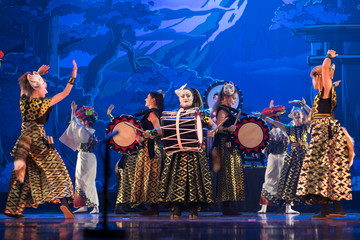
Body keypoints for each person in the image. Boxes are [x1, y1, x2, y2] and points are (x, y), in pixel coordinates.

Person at [4, 61, 77, 219]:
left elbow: (25, 88)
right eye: (44, 86)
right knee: (57, 171)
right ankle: (64, 202)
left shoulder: (24, 102)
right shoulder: (43, 103)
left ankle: (13, 209)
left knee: (21, 175)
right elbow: (64, 93)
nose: (47, 89)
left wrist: (38, 73)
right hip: (38, 142)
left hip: (23, 143)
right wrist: (73, 76)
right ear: (37, 88)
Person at [296, 50, 354, 219]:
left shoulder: (325, 91)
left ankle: (328, 209)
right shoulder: (322, 95)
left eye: (314, 78)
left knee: (321, 169)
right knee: (327, 170)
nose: (313, 81)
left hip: (325, 133)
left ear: (319, 77)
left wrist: (328, 57)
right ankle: (334, 208)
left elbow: (325, 69)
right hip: (322, 132)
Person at [159, 84, 215, 219]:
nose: (185, 98)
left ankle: (193, 209)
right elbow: (164, 130)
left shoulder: (201, 113)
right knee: (176, 179)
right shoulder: (173, 114)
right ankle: (176, 208)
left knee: (194, 180)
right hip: (177, 153)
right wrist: (151, 132)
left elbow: (214, 127)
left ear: (193, 97)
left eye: (188, 95)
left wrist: (212, 131)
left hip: (195, 153)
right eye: (182, 96)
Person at [254, 103, 310, 214]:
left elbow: (313, 115)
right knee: (278, 180)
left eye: (298, 114)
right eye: (295, 115)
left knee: (295, 182)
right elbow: (275, 123)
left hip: (295, 157)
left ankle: (289, 207)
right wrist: (263, 117)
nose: (297, 116)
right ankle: (271, 207)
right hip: (283, 157)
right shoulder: (285, 129)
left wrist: (304, 105)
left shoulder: (303, 127)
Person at [60, 101, 99, 214]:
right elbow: (75, 124)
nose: (81, 122)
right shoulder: (90, 131)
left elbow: (74, 123)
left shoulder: (86, 131)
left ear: (86, 122)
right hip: (86, 157)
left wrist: (73, 110)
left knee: (88, 182)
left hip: (86, 157)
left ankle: (95, 206)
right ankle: (83, 206)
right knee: (80, 181)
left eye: (83, 120)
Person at [211, 82, 244, 216]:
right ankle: (226, 206)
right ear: (226, 96)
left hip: (231, 145)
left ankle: (229, 205)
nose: (235, 101)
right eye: (233, 98)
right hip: (225, 146)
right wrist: (227, 129)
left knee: (231, 175)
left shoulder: (228, 110)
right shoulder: (222, 110)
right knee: (227, 175)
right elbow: (218, 129)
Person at [130, 91, 164, 216]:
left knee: (151, 177)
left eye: (147, 97)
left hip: (151, 150)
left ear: (153, 100)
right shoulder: (154, 112)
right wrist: (141, 138)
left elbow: (159, 131)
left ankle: (153, 209)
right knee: (149, 177)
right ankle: (152, 208)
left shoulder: (151, 113)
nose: (145, 99)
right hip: (148, 148)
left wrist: (150, 133)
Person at [257, 101, 289, 214]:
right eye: (273, 120)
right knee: (269, 179)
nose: (275, 122)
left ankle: (288, 208)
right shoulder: (268, 133)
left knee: (284, 181)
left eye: (277, 119)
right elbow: (263, 146)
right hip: (272, 157)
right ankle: (263, 207)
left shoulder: (285, 131)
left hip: (283, 157)